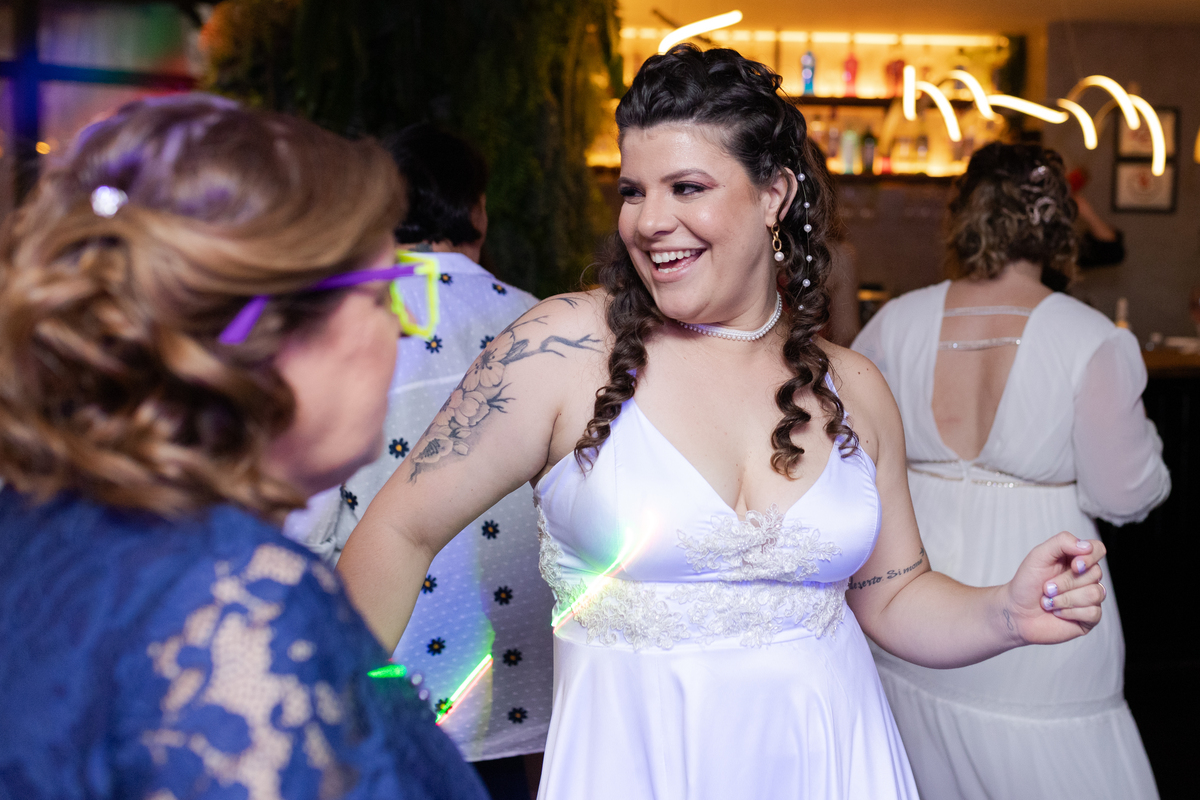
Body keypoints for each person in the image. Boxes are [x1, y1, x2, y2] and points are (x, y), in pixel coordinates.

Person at [336, 47, 1109, 800]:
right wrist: (341, 727)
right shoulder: (562, 348)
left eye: (687, 187)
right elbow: (398, 531)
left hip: (832, 764)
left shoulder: (854, 388)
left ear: (774, 194)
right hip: (634, 768)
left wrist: (1005, 612)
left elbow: (895, 598)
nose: (650, 221)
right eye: (633, 191)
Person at [0, 95, 487, 800]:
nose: (404, 329)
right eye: (386, 293)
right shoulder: (238, 600)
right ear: (273, 332)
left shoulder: (35, 522)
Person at [853, 142, 1169, 799]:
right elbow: (1124, 494)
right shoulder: (1091, 338)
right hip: (1044, 605)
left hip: (910, 604)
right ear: (1058, 227)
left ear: (964, 215)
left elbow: (852, 463)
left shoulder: (893, 323)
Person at [286, 124, 553, 792]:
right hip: (522, 667)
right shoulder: (544, 326)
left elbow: (306, 518)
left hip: (386, 663)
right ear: (478, 210)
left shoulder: (350, 321)